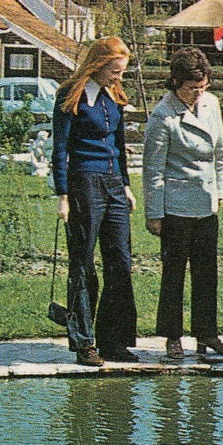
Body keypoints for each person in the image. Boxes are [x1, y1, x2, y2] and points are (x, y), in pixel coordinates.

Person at [52, 36, 139, 366]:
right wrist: (63, 196)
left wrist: (126, 186)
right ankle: (84, 341)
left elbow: (119, 146)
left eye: (122, 72)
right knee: (83, 262)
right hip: (83, 182)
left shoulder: (114, 97)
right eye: (115, 72)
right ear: (98, 65)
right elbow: (60, 150)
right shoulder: (70, 97)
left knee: (121, 262)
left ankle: (113, 340)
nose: (119, 78)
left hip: (114, 182)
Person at [143, 48, 223, 361]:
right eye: (192, 89)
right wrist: (154, 213)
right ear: (176, 82)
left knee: (207, 272)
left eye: (203, 87)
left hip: (206, 202)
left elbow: (220, 153)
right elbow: (153, 170)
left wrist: (219, 192)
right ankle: (172, 336)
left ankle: (207, 334)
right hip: (175, 206)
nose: (199, 94)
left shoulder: (212, 105)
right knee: (174, 273)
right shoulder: (162, 116)